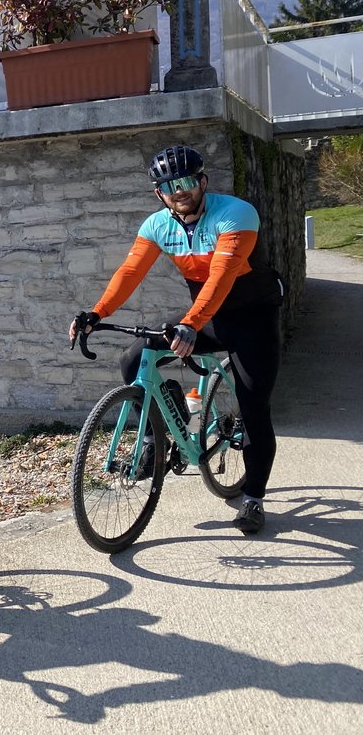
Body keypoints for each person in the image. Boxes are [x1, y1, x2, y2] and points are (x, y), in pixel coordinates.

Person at [70, 145, 283, 535]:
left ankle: (252, 499)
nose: (179, 190)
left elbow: (221, 277)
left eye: (186, 181)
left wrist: (189, 323)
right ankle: (159, 434)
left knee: (254, 408)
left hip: (252, 319)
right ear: (159, 193)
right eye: (169, 185)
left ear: (202, 181)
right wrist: (96, 313)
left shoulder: (236, 214)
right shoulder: (157, 226)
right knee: (134, 359)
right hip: (207, 317)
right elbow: (130, 272)